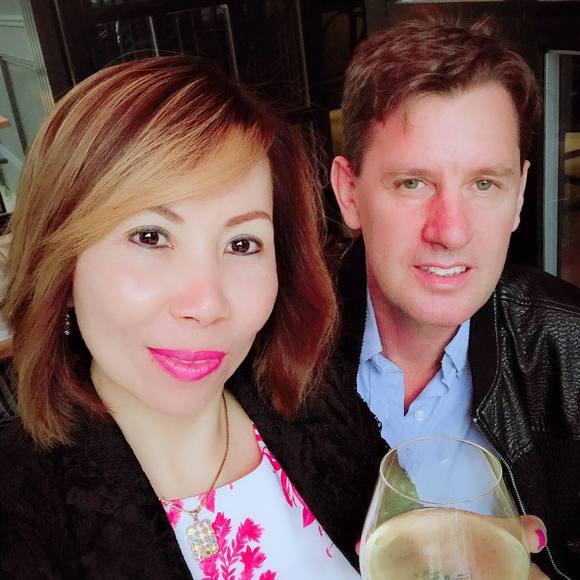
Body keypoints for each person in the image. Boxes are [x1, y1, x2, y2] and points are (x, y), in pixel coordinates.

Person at [0, 55, 376, 579]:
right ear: (60, 267)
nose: (206, 303)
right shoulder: (19, 514)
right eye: (150, 236)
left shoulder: (324, 405)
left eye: (242, 244)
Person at [327, 12, 580, 580]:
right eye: (413, 183)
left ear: (519, 196)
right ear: (350, 194)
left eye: (484, 184)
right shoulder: (273, 344)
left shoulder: (571, 348)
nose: (451, 231)